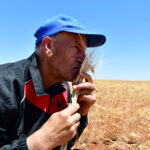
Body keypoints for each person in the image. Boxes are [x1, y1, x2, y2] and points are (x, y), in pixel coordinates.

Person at [0, 14, 106, 150]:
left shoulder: (65, 92)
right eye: (76, 47)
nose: (83, 58)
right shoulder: (5, 85)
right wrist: (40, 142)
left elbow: (65, 145)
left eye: (85, 50)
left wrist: (81, 113)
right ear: (48, 46)